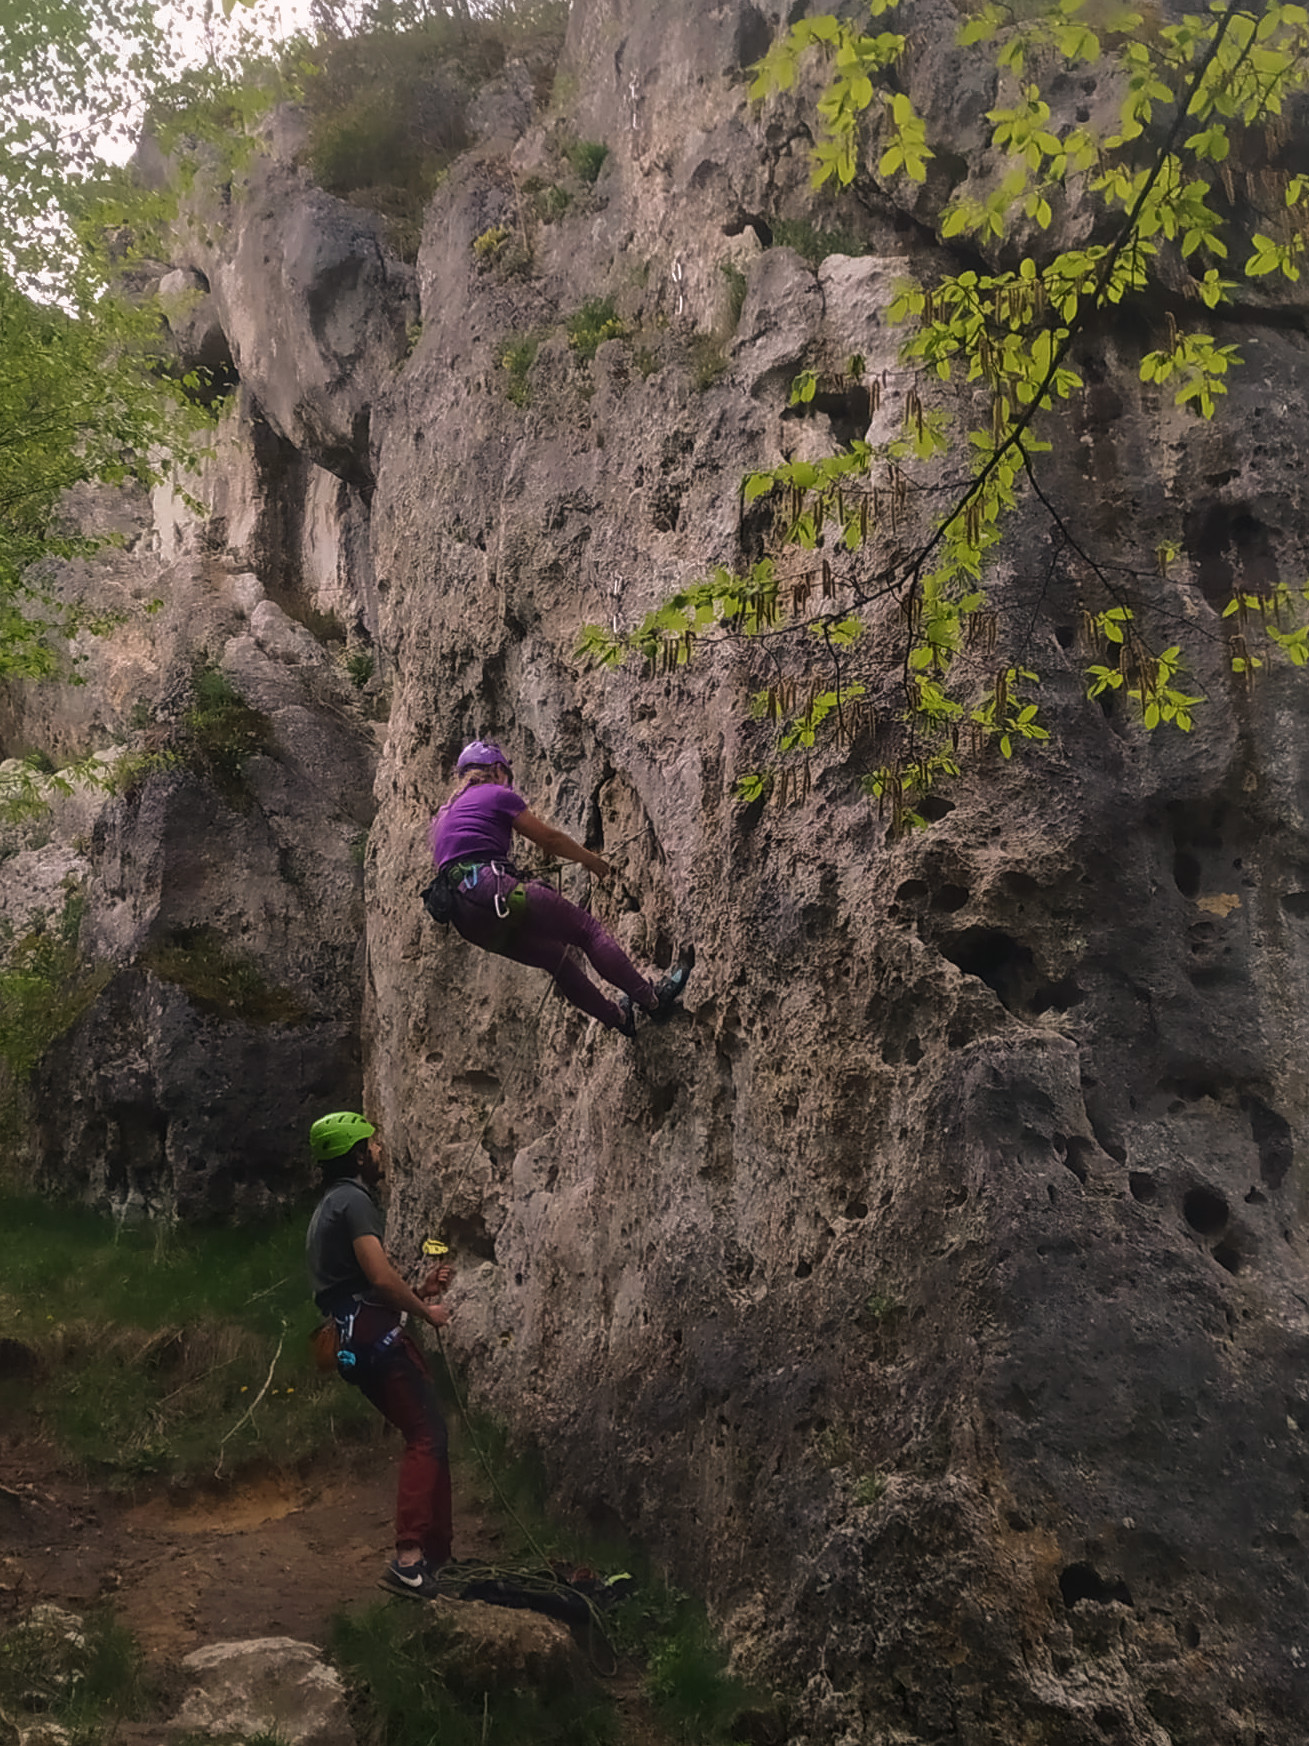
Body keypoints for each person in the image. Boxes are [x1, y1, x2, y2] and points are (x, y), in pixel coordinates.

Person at [429, 739, 690, 1036]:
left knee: (556, 959)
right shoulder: (494, 794)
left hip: (466, 919)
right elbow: (550, 841)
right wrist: (591, 861)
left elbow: (464, 858)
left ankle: (618, 1018)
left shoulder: (443, 816)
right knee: (587, 931)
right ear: (497, 769)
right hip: (492, 889)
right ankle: (653, 1001)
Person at [305, 1110, 456, 1600]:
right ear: (354, 1154)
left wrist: (418, 1290)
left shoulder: (329, 1204)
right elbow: (379, 1278)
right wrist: (427, 1310)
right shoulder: (354, 1201)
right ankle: (412, 1559)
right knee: (426, 1434)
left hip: (354, 1336)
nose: (378, 1151)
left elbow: (359, 1288)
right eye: (371, 1145)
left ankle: (436, 1556)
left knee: (429, 1432)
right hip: (373, 1338)